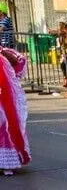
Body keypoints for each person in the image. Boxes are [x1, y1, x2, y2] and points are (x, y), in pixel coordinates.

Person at [0, 46, 31, 175]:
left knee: (5, 128)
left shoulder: (3, 56)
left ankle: (6, 164)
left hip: (4, 100)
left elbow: (20, 60)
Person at [50, 16, 67, 92]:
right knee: (63, 65)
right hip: (65, 53)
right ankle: (66, 79)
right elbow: (54, 32)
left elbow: (66, 43)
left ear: (64, 24)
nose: (59, 24)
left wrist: (61, 34)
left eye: (60, 23)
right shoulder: (62, 31)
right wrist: (54, 32)